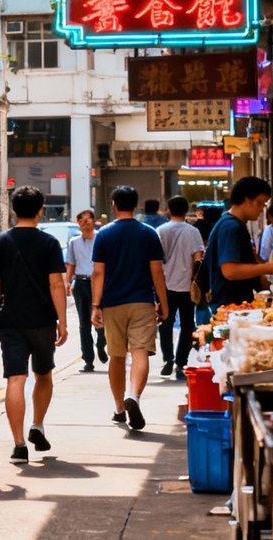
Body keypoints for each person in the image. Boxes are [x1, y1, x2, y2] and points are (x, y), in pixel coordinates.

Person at [0, 186, 68, 463]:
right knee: (44, 375)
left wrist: (3, 299)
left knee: (15, 379)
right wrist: (63, 322)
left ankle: (19, 444)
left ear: (13, 209)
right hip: (42, 320)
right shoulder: (49, 243)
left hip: (10, 321)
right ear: (40, 210)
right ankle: (37, 425)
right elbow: (56, 283)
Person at [90, 185, 169, 432]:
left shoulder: (103, 234)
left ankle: (118, 407)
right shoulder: (148, 233)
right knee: (141, 352)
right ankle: (133, 396)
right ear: (136, 205)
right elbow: (157, 272)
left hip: (113, 303)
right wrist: (164, 305)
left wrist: (95, 305)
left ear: (114, 204)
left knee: (116, 355)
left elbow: (97, 273)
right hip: (142, 301)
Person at [206, 177, 273, 306]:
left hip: (237, 304)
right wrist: (270, 267)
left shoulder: (232, 223)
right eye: (260, 203)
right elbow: (230, 271)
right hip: (231, 307)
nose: (261, 210)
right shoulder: (231, 227)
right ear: (246, 199)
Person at [155, 196, 204, 379]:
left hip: (164, 285)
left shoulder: (160, 231)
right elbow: (198, 258)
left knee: (165, 322)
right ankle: (180, 363)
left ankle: (168, 358)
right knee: (187, 324)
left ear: (168, 209)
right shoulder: (192, 231)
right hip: (186, 285)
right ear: (186, 210)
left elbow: (155, 261)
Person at [64, 209, 107, 372]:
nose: (85, 224)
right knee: (83, 323)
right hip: (81, 282)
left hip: (98, 282)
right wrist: (68, 282)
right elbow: (71, 264)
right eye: (81, 221)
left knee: (100, 319)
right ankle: (88, 359)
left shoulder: (101, 238)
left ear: (93, 221)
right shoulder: (74, 242)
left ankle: (101, 344)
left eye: (87, 220)